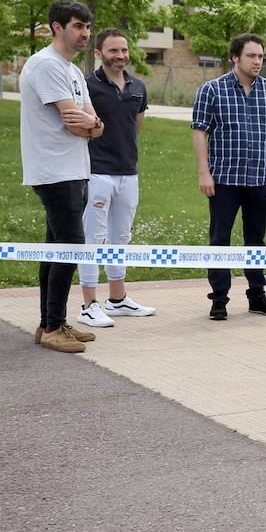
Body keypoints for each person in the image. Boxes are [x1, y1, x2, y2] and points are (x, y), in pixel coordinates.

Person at [18, 0, 104, 353]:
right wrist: (91, 125)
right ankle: (53, 326)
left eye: (87, 27)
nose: (85, 34)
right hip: (55, 172)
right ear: (58, 27)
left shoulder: (71, 70)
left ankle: (50, 322)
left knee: (56, 249)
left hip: (74, 170)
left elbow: (93, 123)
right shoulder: (46, 66)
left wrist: (94, 124)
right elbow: (73, 121)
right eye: (78, 26)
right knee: (70, 248)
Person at [191, 33, 266, 321]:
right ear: (235, 57)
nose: (258, 61)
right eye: (251, 56)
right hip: (223, 180)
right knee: (219, 240)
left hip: (260, 180)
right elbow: (200, 132)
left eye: (260, 56)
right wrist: (204, 172)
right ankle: (219, 300)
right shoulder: (212, 90)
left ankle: (257, 296)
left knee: (256, 241)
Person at [77, 28, 155, 328]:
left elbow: (135, 126)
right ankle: (88, 305)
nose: (120, 56)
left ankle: (118, 299)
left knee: (121, 237)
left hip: (128, 173)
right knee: (92, 238)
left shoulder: (138, 86)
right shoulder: (86, 85)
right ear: (98, 54)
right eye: (113, 51)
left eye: (124, 50)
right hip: (96, 172)